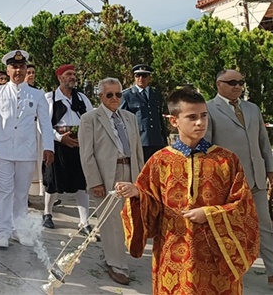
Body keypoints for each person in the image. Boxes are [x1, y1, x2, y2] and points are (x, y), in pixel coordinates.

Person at [118, 86, 260, 295]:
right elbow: (151, 205)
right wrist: (138, 195)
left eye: (204, 116)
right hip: (173, 251)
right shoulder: (160, 161)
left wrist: (209, 214)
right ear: (174, 121)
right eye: (192, 117)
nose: (200, 122)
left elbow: (244, 207)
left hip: (216, 255)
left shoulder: (226, 160)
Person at [204, 69, 273, 286]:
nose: (238, 86)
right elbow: (206, 147)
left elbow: (263, 142)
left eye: (241, 82)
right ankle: (228, 273)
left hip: (256, 178)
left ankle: (272, 271)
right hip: (227, 182)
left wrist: (270, 170)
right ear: (218, 84)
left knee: (265, 225)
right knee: (227, 227)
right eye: (232, 82)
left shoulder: (252, 108)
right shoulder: (208, 109)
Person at [0, 50, 54, 249]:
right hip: (2, 150)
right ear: (8, 69)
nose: (18, 70)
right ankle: (3, 232)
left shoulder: (37, 94)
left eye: (21, 67)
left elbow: (45, 123)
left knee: (21, 194)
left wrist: (49, 147)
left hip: (26, 151)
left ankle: (19, 230)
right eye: (14, 66)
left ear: (26, 69)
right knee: (3, 191)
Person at [78, 77, 143, 285]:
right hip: (107, 175)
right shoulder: (90, 119)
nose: (114, 98)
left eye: (118, 94)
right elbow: (86, 154)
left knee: (126, 220)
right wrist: (94, 181)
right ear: (100, 96)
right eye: (109, 95)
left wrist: (141, 178)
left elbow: (137, 149)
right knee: (111, 222)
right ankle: (117, 265)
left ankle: (112, 255)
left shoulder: (130, 117)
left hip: (130, 171)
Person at [42, 64, 93, 232]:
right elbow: (42, 124)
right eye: (68, 74)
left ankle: (84, 222)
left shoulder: (83, 99)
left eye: (73, 74)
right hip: (58, 144)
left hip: (79, 144)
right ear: (60, 78)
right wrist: (59, 138)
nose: (72, 77)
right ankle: (47, 213)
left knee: (81, 183)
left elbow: (91, 120)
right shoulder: (50, 98)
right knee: (53, 181)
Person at [120, 64, 168, 163]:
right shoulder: (127, 95)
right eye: (138, 76)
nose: (141, 78)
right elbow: (122, 120)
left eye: (144, 76)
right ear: (134, 77)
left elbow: (159, 117)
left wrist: (164, 138)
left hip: (156, 141)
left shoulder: (156, 95)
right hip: (139, 141)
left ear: (149, 78)